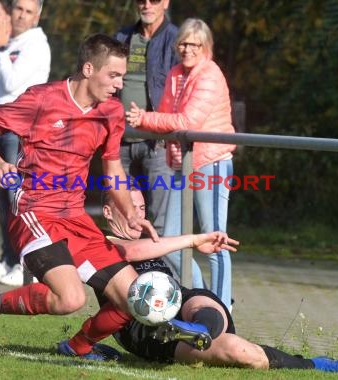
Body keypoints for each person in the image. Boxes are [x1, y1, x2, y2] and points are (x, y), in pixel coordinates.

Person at [0, 34, 158, 352]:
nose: (119, 84)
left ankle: (78, 347)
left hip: (75, 217)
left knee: (135, 299)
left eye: (122, 76)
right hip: (35, 210)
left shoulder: (111, 113)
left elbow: (113, 171)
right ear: (88, 69)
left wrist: (132, 213)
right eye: (113, 75)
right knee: (70, 298)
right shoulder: (43, 99)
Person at [59, 189, 338, 375]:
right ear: (110, 211)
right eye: (130, 207)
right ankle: (318, 364)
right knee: (244, 354)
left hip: (180, 302)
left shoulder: (151, 239)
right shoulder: (100, 241)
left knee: (202, 301)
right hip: (144, 328)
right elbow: (134, 251)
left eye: (141, 207)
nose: (139, 214)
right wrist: (193, 239)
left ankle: (198, 331)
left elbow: (149, 248)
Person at [127, 18, 236, 310]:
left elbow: (188, 123)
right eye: (183, 43)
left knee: (214, 239)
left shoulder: (210, 75)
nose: (187, 49)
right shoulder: (176, 73)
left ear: (206, 48)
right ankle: (202, 297)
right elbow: (166, 116)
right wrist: (151, 121)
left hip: (210, 163)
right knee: (170, 238)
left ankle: (224, 308)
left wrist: (144, 119)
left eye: (194, 44)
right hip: (181, 165)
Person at [114, 0, 204, 282]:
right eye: (141, 0)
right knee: (122, 220)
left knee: (163, 226)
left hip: (159, 145)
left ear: (165, 2)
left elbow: (187, 89)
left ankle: (179, 291)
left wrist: (162, 125)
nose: (146, 4)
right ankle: (127, 290)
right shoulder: (122, 37)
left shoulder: (177, 40)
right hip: (121, 143)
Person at [0, 0, 51, 287]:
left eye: (27, 11)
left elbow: (9, 83)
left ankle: (24, 264)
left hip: (17, 133)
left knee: (15, 199)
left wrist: (1, 49)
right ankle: (7, 259)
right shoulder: (7, 43)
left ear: (37, 16)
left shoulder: (36, 44)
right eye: (17, 8)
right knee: (1, 203)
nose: (20, 15)